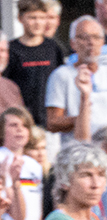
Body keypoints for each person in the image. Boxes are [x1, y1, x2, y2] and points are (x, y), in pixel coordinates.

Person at [48, 18, 107, 151]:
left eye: (96, 37)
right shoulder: (61, 75)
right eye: (84, 38)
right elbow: (52, 122)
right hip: (77, 150)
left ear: (103, 42)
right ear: (72, 43)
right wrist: (83, 120)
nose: (91, 43)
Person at [7, 0, 65, 130]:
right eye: (32, 18)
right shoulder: (11, 49)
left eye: (42, 18)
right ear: (20, 19)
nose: (38, 22)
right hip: (22, 123)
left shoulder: (54, 48)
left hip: (50, 121)